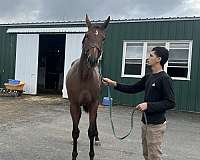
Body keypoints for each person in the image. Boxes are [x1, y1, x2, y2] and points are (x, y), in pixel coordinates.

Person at [102, 47, 175, 160]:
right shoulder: (149, 77)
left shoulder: (165, 79)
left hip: (156, 126)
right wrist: (113, 84)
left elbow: (170, 102)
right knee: (146, 154)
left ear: (158, 59)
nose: (148, 58)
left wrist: (148, 105)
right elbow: (132, 88)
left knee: (154, 156)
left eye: (151, 56)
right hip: (145, 123)